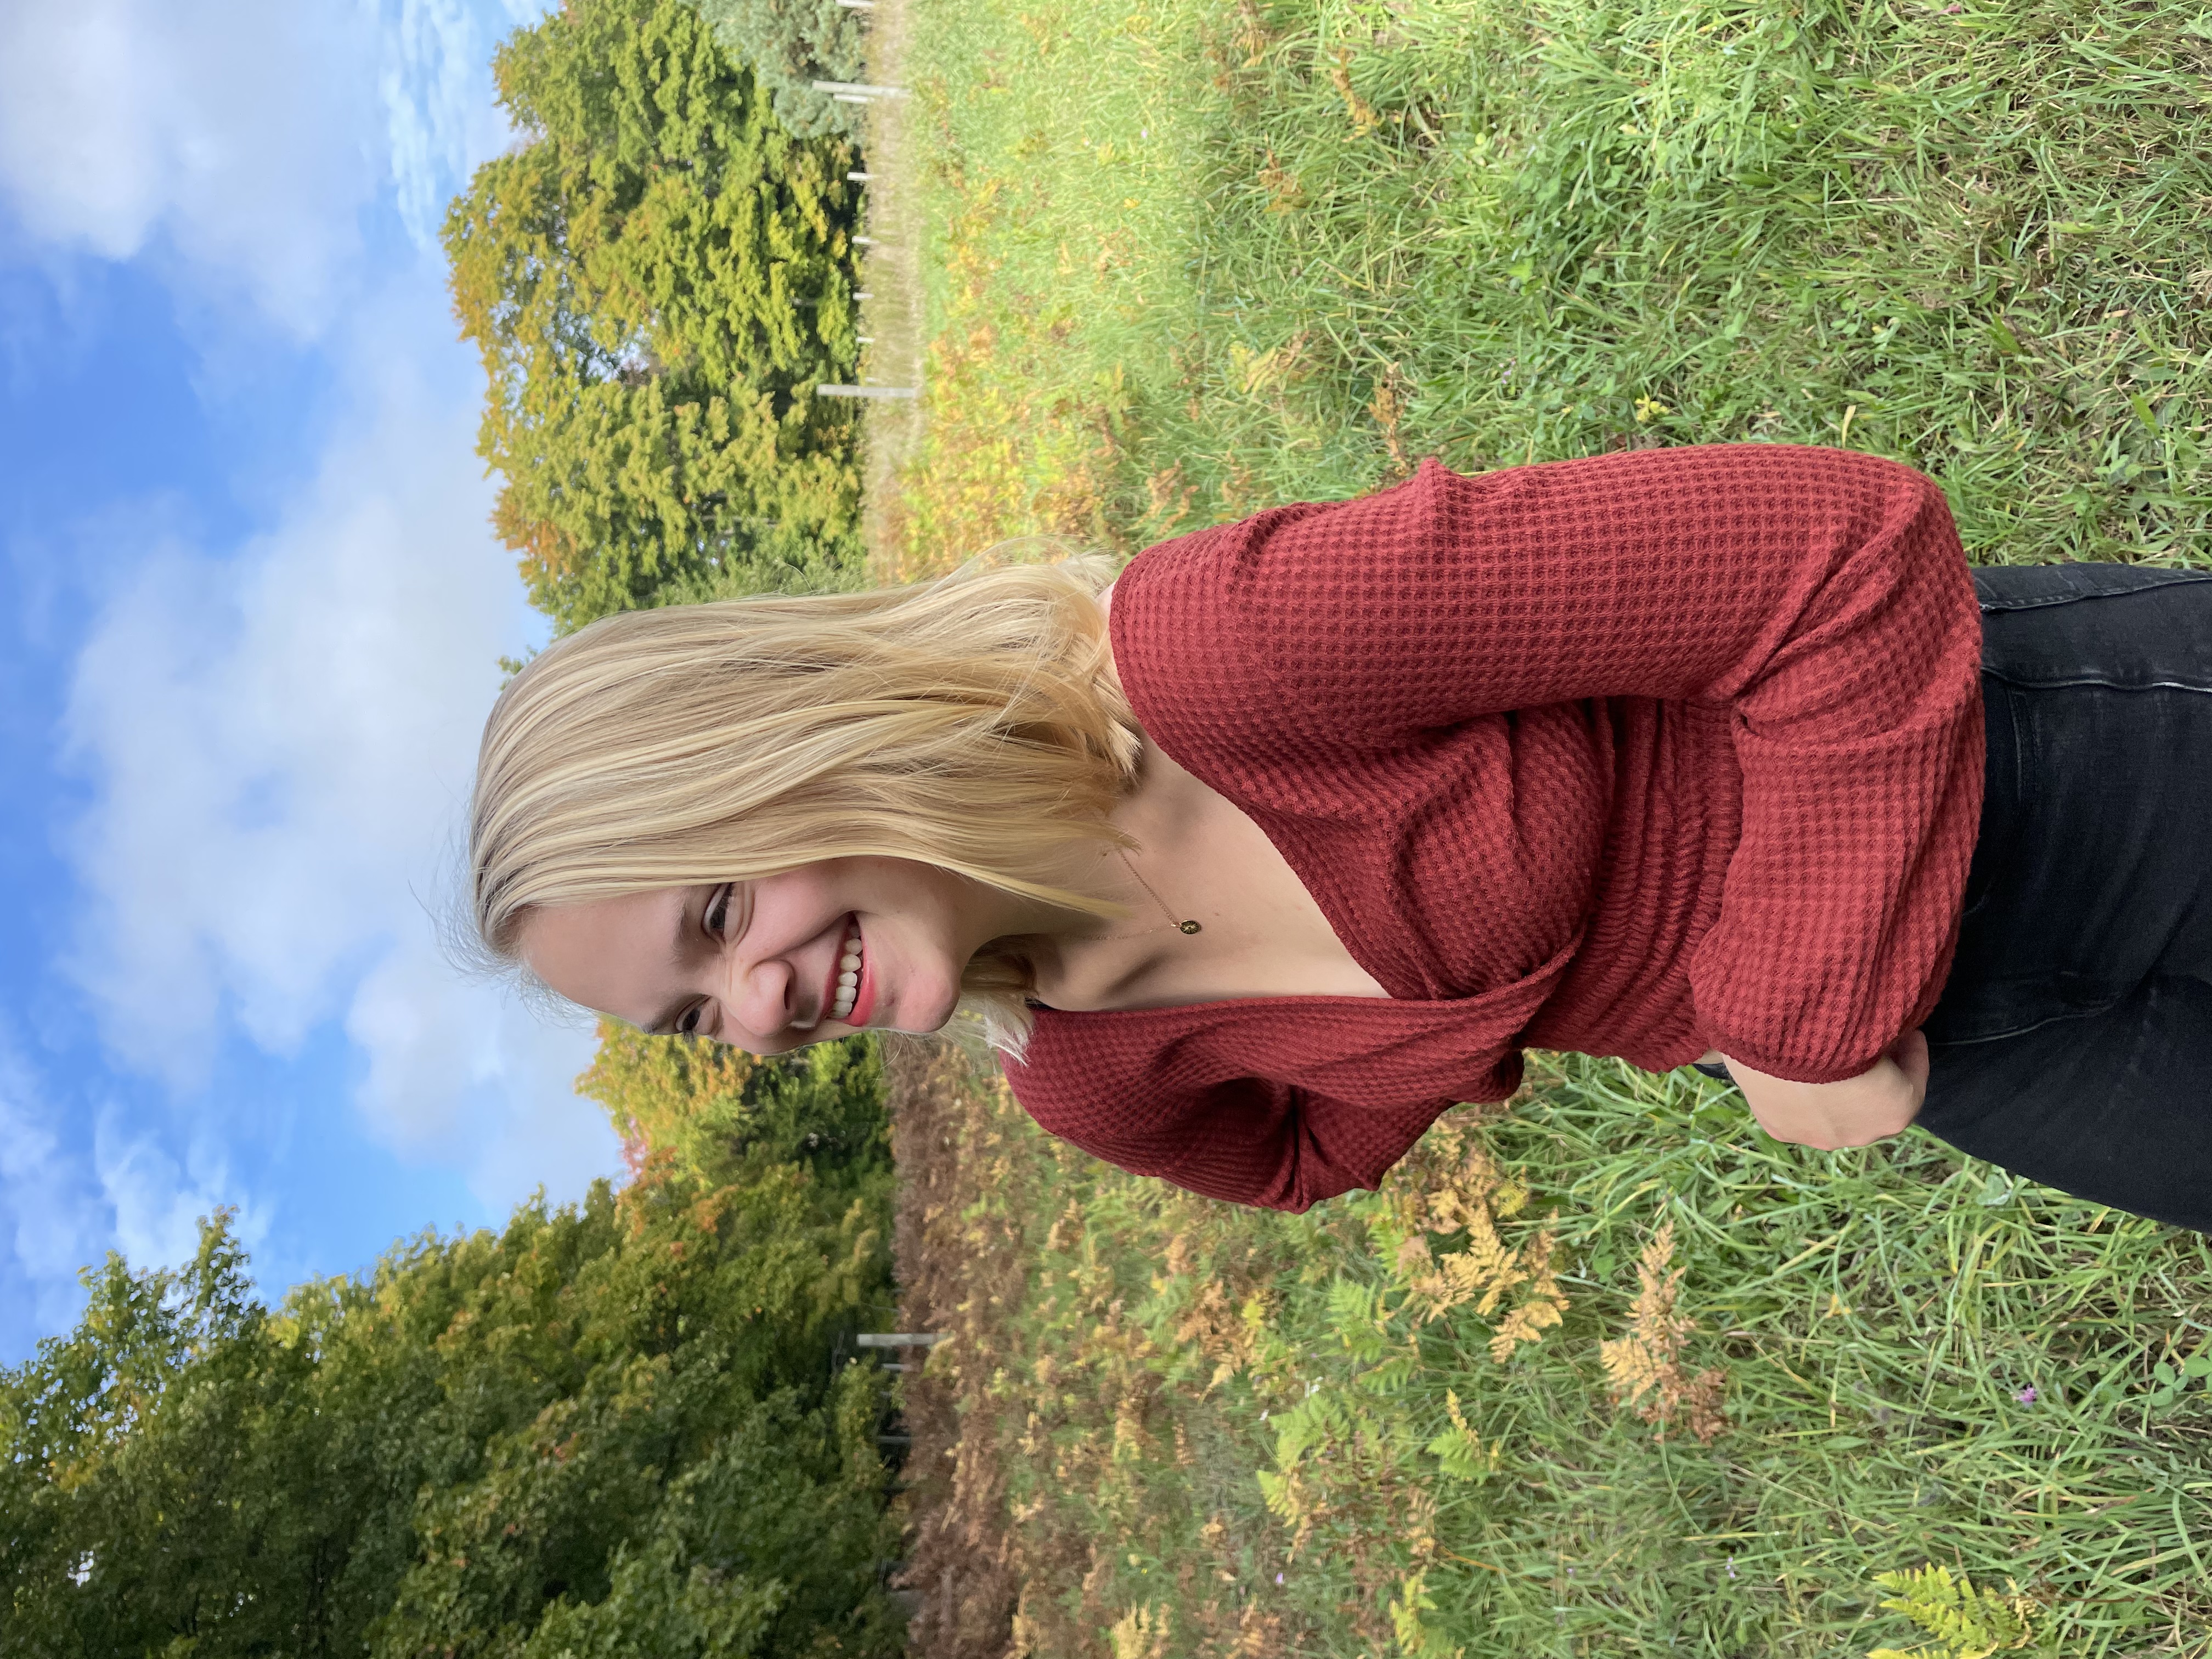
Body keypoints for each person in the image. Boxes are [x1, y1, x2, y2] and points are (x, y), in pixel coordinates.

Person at [470, 444, 2212, 1229]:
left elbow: (1847, 557)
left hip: (2027, 768)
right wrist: (1433, 1021)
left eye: (715, 913)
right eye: (696, 1022)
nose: (759, 1011)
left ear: (793, 744)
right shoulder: (1100, 1082)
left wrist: (1787, 1013)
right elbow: (1310, 1157)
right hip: (1974, 1053)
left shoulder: (1229, 654)